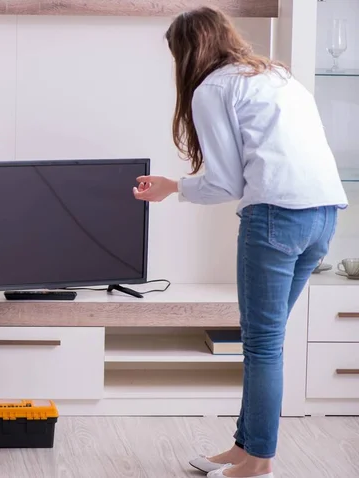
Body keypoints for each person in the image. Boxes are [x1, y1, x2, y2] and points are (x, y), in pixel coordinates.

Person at [133, 7, 347, 478]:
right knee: (265, 341)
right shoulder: (276, 76)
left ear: (187, 52)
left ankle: (259, 461)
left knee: (263, 344)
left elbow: (226, 184)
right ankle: (244, 446)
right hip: (325, 216)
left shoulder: (213, 87)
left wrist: (173, 187)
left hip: (275, 216)